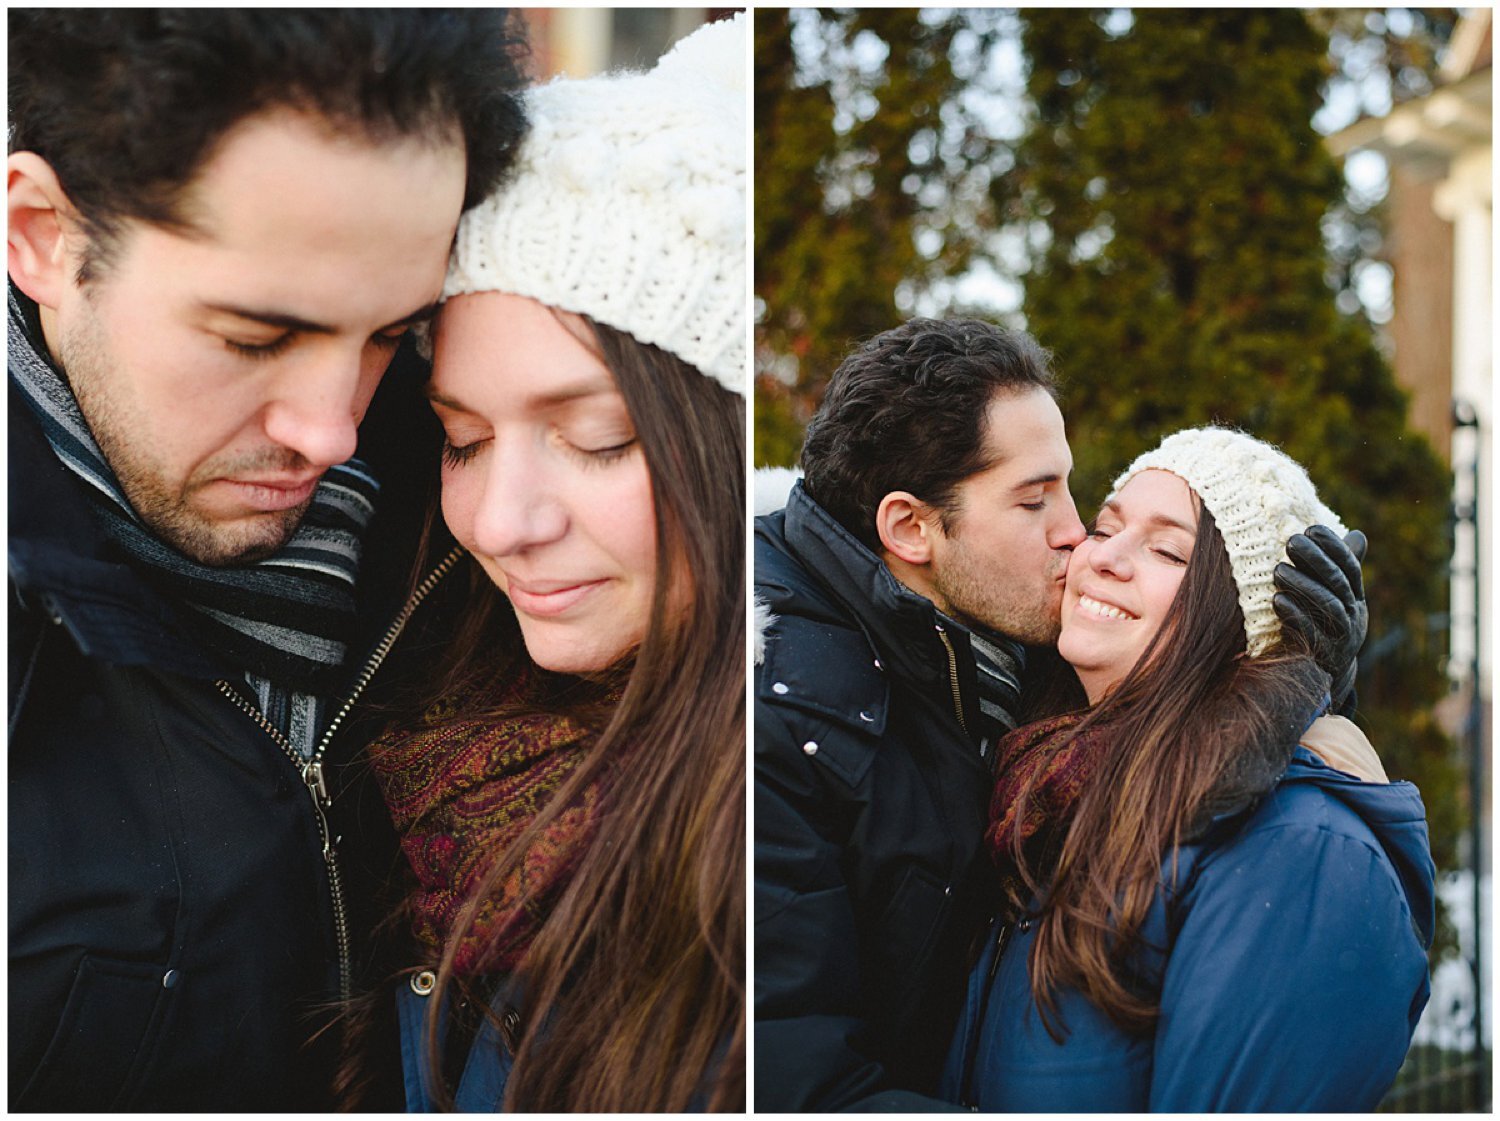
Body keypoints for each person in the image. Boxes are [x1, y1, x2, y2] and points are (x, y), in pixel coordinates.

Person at [7, 11, 528, 1110]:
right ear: (44, 236)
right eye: (255, 338)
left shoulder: (496, 543)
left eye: (392, 334)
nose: (332, 433)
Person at [753, 320, 1372, 1110]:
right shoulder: (781, 718)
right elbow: (801, 1088)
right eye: (1035, 498)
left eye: (1073, 490)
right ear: (910, 529)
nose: (1079, 535)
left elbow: (1181, 691)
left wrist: (1303, 684)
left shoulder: (979, 644)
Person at [352, 15, 746, 1112]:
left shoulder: (753, 860)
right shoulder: (438, 736)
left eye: (598, 438)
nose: (502, 520)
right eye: (464, 440)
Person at [941, 427, 1433, 1110]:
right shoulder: (1047, 795)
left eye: (1167, 548)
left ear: (1247, 623)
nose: (1104, 557)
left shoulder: (1303, 852)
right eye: (1106, 526)